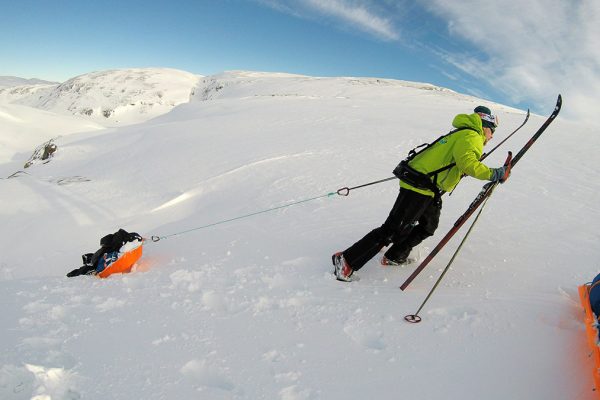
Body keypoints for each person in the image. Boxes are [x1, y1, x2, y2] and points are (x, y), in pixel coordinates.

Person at [332, 106, 508, 282]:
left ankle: (395, 255)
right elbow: (467, 163)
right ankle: (347, 260)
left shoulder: (462, 133)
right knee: (392, 229)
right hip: (419, 188)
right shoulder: (472, 135)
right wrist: (495, 173)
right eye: (492, 131)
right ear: (485, 125)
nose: (491, 136)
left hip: (428, 188)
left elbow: (458, 163)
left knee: (428, 226)